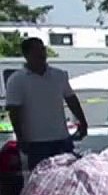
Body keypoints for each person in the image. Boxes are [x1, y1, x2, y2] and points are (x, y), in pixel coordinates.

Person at [4, 37, 88, 173]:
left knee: (68, 177)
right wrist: (21, 138)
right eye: (36, 50)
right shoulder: (17, 80)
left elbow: (71, 99)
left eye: (42, 49)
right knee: (41, 179)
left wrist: (83, 122)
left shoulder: (59, 75)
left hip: (61, 138)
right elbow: (14, 111)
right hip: (35, 142)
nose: (41, 53)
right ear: (26, 54)